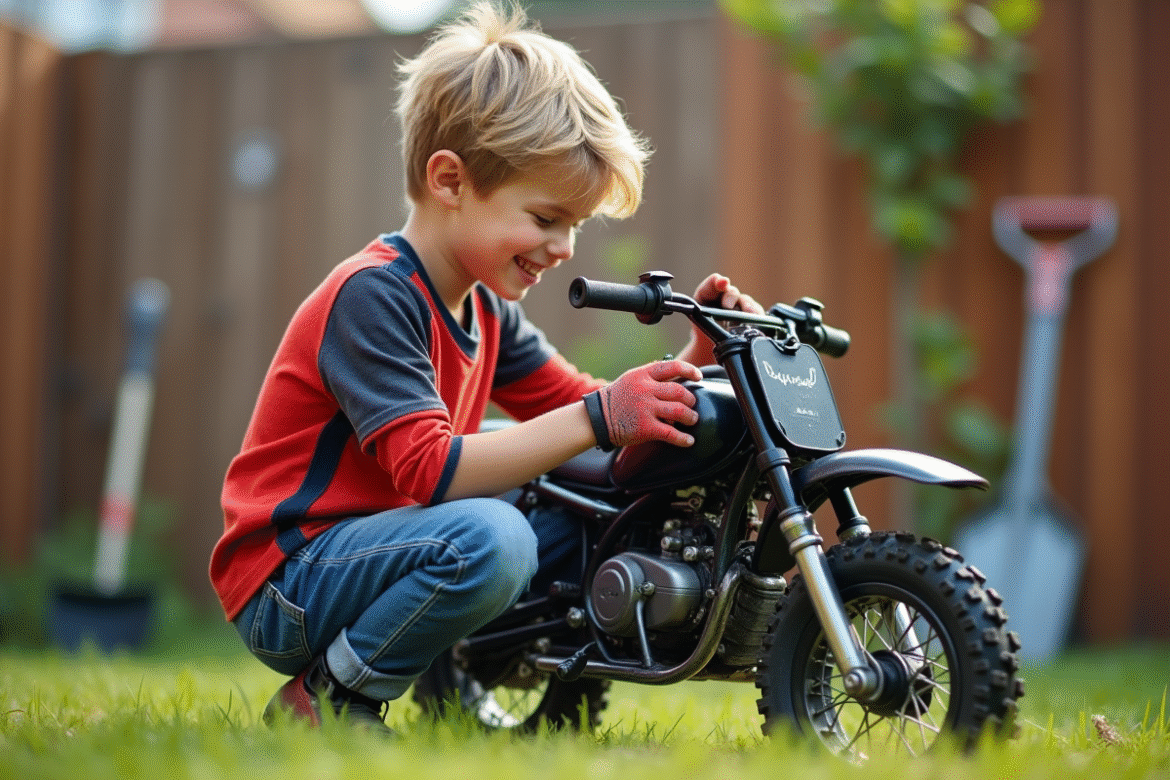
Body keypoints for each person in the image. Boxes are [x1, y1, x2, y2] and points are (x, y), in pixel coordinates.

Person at [209, 0, 762, 733]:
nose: (564, 247)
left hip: (383, 552)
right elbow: (431, 471)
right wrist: (601, 415)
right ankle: (330, 697)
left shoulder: (486, 313)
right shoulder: (372, 295)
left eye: (575, 225)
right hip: (291, 579)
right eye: (544, 219)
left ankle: (475, 674)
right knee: (498, 537)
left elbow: (586, 412)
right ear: (449, 181)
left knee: (564, 507)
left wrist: (691, 361)